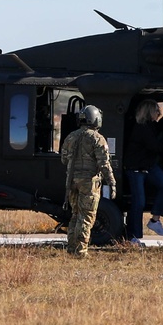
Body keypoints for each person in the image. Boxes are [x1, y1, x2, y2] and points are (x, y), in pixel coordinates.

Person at [61, 105, 116, 258]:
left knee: (75, 214)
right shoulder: (97, 138)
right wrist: (112, 182)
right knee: (86, 216)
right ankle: (80, 251)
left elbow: (64, 159)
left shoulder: (71, 136)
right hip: (89, 183)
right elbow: (104, 164)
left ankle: (72, 248)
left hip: (71, 181)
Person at [124, 99, 163, 244]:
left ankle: (154, 220)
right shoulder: (141, 128)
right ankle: (133, 236)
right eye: (156, 110)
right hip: (136, 169)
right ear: (149, 112)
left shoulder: (150, 126)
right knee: (139, 202)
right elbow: (155, 146)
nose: (158, 113)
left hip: (148, 165)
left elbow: (160, 125)